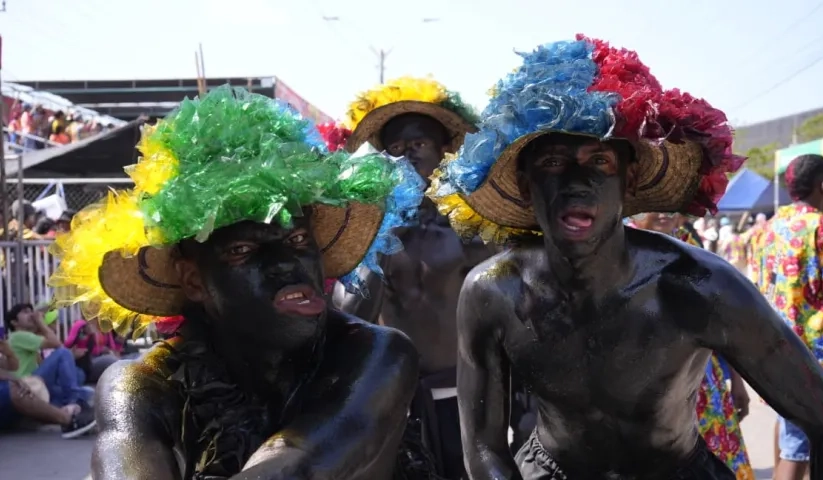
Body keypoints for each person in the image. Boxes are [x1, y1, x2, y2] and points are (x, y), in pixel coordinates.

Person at [429, 37, 823, 479]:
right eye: (553, 161)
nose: (577, 181)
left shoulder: (699, 285)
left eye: (600, 160)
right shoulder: (494, 292)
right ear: (528, 186)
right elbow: (483, 450)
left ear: (629, 180)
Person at [48, 86, 424, 479]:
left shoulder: (380, 353)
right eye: (244, 250)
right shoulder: (141, 385)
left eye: (297, 240)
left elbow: (293, 465)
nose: (285, 264)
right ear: (193, 281)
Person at [335, 76, 492, 479]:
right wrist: (382, 240)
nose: (407, 158)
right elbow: (350, 318)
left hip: (461, 400)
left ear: (443, 152)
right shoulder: (366, 231)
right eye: (396, 149)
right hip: (393, 399)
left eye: (418, 145)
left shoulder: (470, 228)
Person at [632, 213, 755, 479]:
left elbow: (718, 319)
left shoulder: (689, 246)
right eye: (654, 206)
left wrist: (737, 380)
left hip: (703, 385)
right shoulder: (618, 252)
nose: (665, 213)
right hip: (646, 392)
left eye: (670, 206)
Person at [757, 154, 823, 480]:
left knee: (793, 439)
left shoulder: (769, 227)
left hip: (777, 355)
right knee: (801, 450)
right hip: (819, 361)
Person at [0, 339, 96, 438]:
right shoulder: (19, 336)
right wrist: (13, 378)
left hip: (27, 386)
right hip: (17, 390)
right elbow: (55, 342)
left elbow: (12, 367)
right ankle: (69, 420)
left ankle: (74, 404)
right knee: (16, 390)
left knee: (84, 386)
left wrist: (9, 353)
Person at [5, 303, 92, 410]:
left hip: (35, 382)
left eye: (31, 311)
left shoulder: (27, 338)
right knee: (63, 353)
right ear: (14, 322)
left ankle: (64, 403)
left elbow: (43, 365)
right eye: (25, 312)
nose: (31, 315)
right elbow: (57, 345)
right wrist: (41, 322)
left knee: (80, 377)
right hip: (26, 383)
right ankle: (73, 400)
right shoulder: (18, 335)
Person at [64, 317, 121, 383]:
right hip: (87, 361)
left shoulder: (105, 326)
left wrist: (119, 343)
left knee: (130, 359)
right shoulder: (80, 324)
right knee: (112, 361)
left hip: (102, 358)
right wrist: (84, 333)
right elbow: (68, 344)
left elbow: (112, 348)